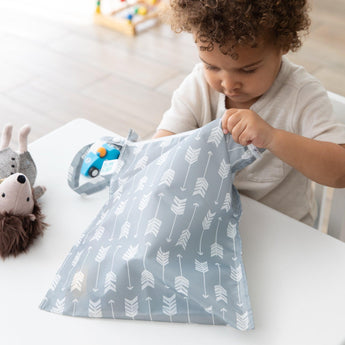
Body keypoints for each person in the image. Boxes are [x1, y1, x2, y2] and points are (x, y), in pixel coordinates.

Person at [153, 0, 345, 226]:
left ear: (282, 46)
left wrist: (273, 137)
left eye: (247, 70)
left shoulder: (302, 95)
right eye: (212, 67)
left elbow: (339, 171)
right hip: (213, 222)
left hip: (285, 230)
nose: (228, 84)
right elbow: (162, 147)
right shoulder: (199, 86)